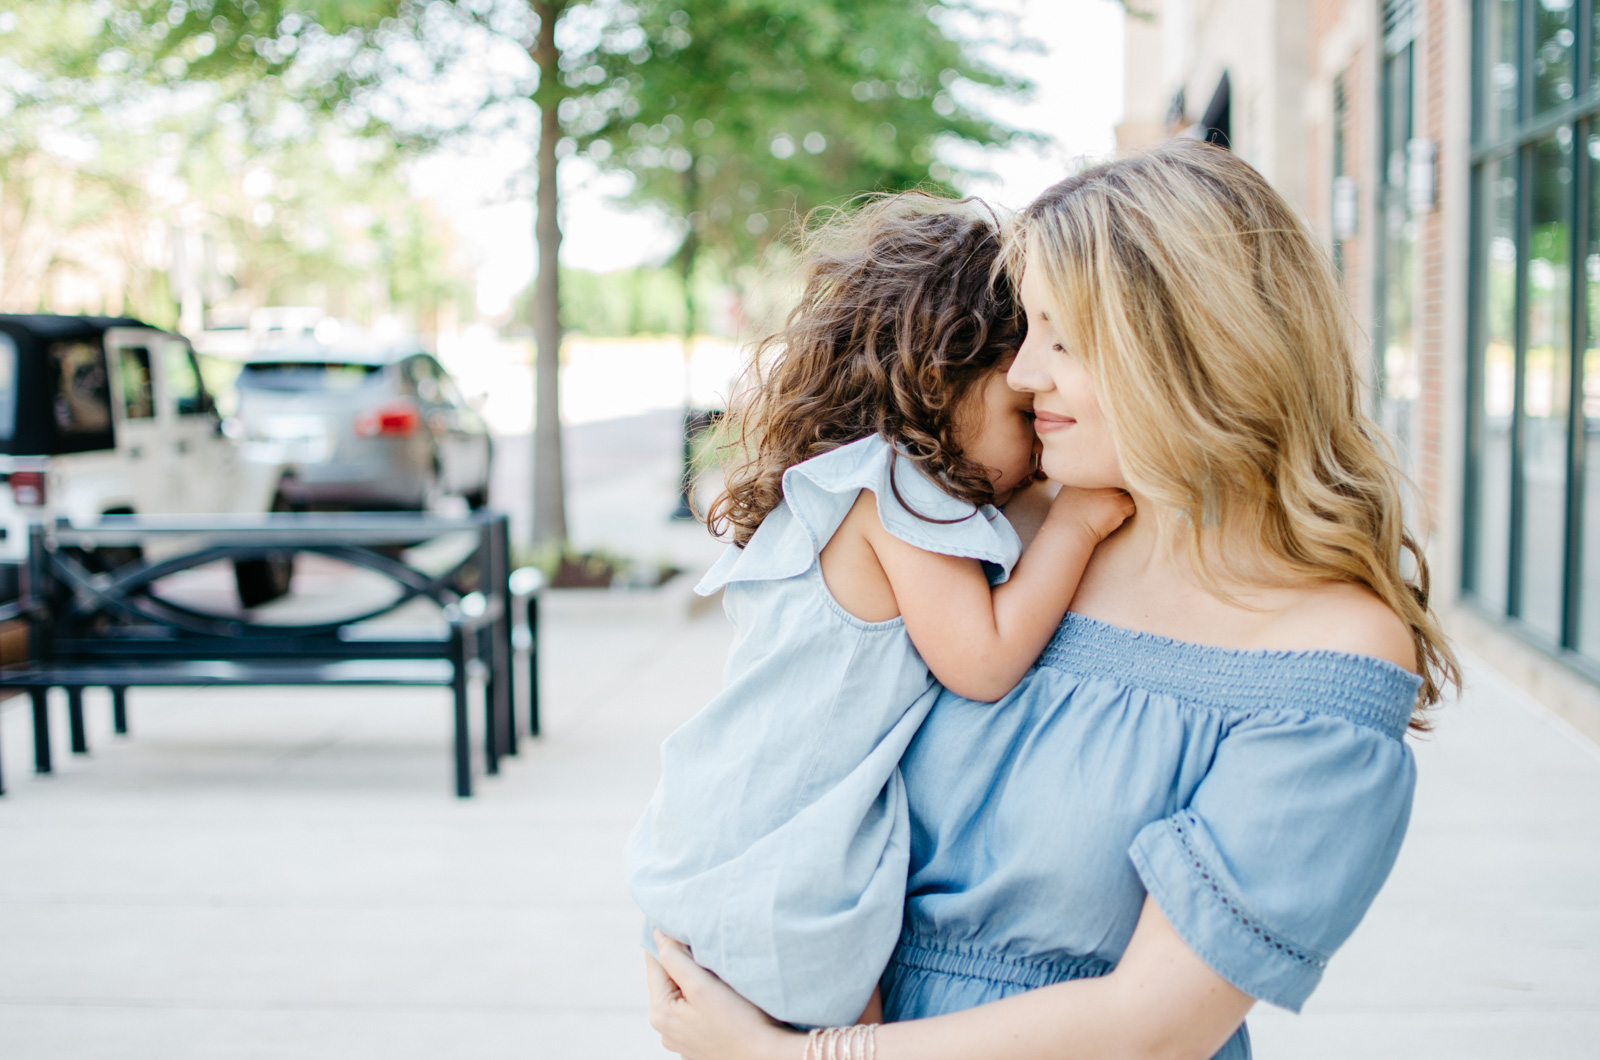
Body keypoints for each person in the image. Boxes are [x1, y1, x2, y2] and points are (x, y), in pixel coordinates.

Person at [644, 138, 1460, 1060]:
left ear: (1193, 352)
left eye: (1061, 337)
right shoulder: (1002, 531)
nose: (1024, 374)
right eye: (1026, 330)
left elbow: (1150, 1025)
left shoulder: (1332, 651)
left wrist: (792, 1057)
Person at [625, 192, 1134, 1030]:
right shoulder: (897, 493)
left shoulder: (856, 482)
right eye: (1020, 416)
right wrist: (1076, 523)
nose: (1039, 449)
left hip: (733, 842)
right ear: (938, 385)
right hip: (775, 864)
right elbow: (983, 662)